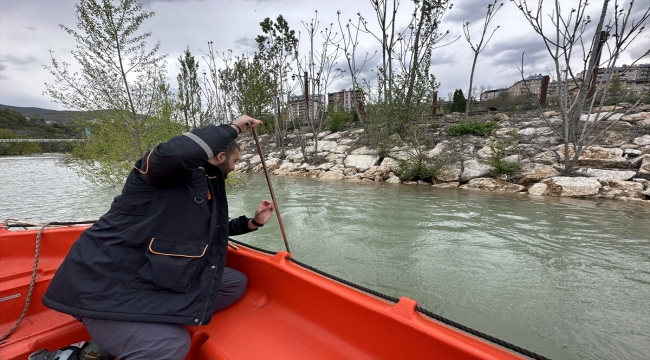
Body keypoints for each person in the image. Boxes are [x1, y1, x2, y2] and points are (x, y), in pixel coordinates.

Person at [36, 116, 274, 360]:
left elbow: (209, 231)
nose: (235, 168)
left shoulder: (207, 184)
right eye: (235, 161)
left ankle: (150, 320)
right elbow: (177, 153)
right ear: (220, 156)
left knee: (233, 283)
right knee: (168, 345)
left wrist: (252, 223)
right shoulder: (159, 172)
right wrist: (233, 128)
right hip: (105, 283)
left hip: (151, 273)